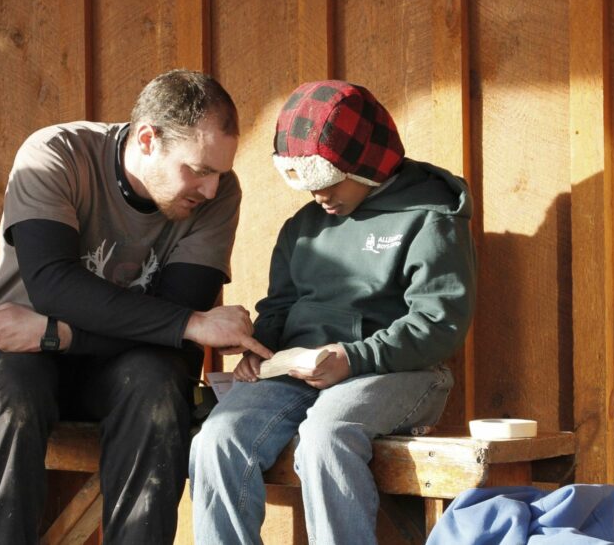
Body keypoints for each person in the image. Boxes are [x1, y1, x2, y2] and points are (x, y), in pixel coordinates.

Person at [0, 69, 272, 544]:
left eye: (220, 172)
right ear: (147, 139)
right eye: (199, 170)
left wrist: (59, 334)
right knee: (12, 390)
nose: (211, 190)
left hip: (120, 363)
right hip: (11, 345)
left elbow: (180, 312)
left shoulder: (217, 196)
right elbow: (54, 284)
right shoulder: (56, 154)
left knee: (157, 383)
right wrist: (182, 324)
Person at [189, 80, 477, 544]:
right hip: (299, 371)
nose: (317, 194)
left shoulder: (429, 215)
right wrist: (261, 350)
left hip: (398, 372)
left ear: (367, 163)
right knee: (217, 439)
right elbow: (280, 305)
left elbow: (439, 323)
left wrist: (353, 358)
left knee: (326, 437)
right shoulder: (303, 226)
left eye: (327, 180)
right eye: (307, 184)